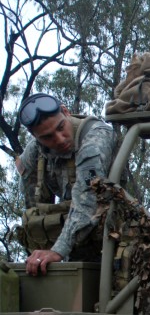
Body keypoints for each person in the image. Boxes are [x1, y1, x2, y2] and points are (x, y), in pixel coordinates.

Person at [15, 93, 117, 276]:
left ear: (66, 111)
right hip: (72, 248)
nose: (60, 139)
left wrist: (57, 251)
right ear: (35, 137)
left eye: (61, 127)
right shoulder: (33, 154)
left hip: (113, 242)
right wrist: (38, 256)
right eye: (47, 137)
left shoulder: (96, 137)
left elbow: (88, 198)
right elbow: (33, 210)